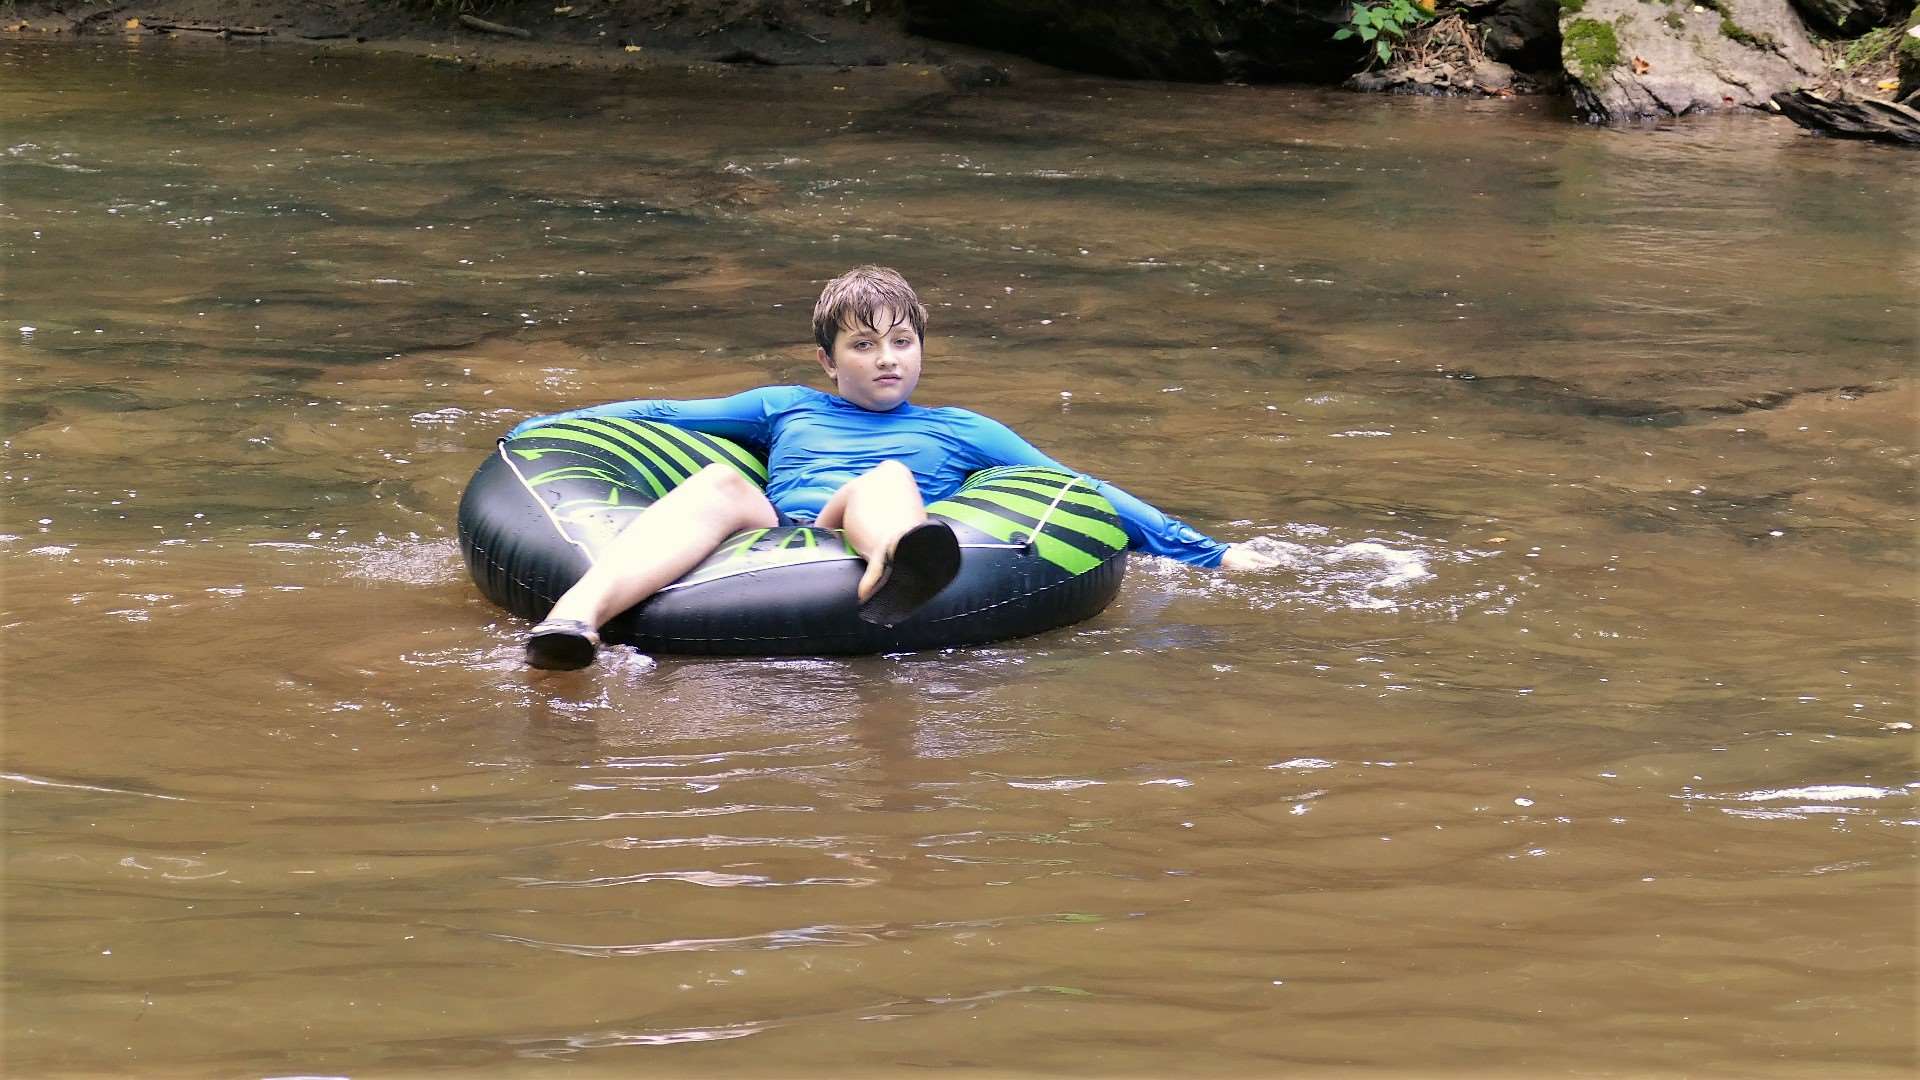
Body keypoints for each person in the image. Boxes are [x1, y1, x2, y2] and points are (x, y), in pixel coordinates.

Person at [509, 265, 1277, 670]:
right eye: (864, 344)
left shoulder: (960, 429)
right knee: (715, 482)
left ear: (921, 350)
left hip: (864, 522)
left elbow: (1079, 488)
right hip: (775, 526)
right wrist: (544, 429)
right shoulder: (785, 406)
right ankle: (572, 622)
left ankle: (900, 567)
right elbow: (667, 414)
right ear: (827, 360)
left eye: (901, 342)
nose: (886, 359)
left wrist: (1209, 553)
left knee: (887, 479)